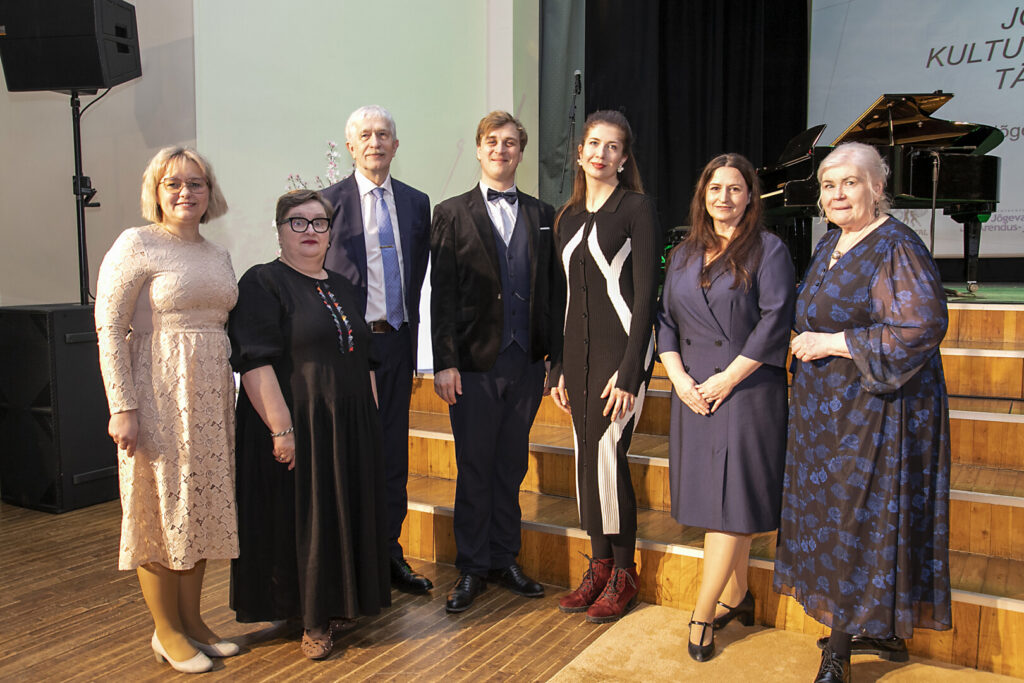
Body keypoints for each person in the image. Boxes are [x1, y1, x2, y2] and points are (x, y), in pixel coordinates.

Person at [774, 142, 952, 683]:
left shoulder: (897, 245)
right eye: (828, 185)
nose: (837, 194)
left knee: (857, 520)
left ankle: (840, 651)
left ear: (877, 187)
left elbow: (920, 325)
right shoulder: (831, 241)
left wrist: (831, 343)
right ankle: (879, 626)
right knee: (834, 517)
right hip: (825, 412)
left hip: (874, 411)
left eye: (850, 182)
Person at [228, 190, 390, 660]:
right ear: (279, 230)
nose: (310, 231)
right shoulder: (263, 282)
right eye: (297, 222)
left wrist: (372, 422)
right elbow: (254, 363)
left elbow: (366, 358)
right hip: (300, 422)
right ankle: (312, 620)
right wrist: (281, 430)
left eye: (319, 222)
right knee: (309, 522)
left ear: (330, 232)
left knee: (340, 515)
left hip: (347, 425)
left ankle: (339, 604)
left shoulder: (343, 285)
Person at [95, 147, 239, 674]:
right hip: (157, 392)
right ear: (155, 191)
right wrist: (122, 406)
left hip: (210, 396)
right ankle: (166, 630)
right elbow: (110, 327)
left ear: (209, 192)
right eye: (173, 183)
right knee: (158, 509)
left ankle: (193, 621)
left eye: (196, 183)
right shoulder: (136, 243)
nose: (185, 193)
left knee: (197, 507)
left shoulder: (218, 254)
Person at [655, 154, 795, 660]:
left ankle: (702, 612)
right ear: (703, 195)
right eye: (715, 188)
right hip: (693, 392)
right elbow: (665, 320)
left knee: (730, 503)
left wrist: (727, 378)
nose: (724, 197)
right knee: (719, 501)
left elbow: (776, 321)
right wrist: (679, 379)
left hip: (747, 390)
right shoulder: (682, 253)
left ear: (750, 196)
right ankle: (737, 595)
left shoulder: (769, 249)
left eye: (735, 189)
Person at [430, 111, 559, 613]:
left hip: (525, 363)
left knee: (510, 466)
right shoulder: (451, 212)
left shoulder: (543, 213)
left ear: (520, 152)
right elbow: (442, 292)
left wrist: (551, 358)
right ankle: (471, 566)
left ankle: (505, 558)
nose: (501, 150)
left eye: (510, 143)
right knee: (475, 467)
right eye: (492, 141)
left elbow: (553, 291)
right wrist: (444, 361)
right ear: (479, 149)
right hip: (473, 364)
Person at [550, 110, 662, 624]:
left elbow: (646, 299)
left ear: (623, 157)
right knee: (586, 460)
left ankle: (624, 573)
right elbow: (564, 300)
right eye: (594, 144)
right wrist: (557, 368)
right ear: (580, 153)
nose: (601, 153)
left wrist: (631, 372)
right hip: (578, 359)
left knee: (609, 458)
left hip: (623, 357)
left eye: (612, 146)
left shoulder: (636, 208)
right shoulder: (567, 217)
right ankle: (598, 566)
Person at [321, 105, 433, 596]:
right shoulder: (327, 204)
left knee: (392, 457)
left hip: (397, 346)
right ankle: (350, 562)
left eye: (383, 134)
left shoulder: (416, 203)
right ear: (350, 147)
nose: (375, 142)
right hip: (348, 352)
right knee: (348, 456)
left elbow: (418, 272)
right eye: (365, 135)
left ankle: (389, 552)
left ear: (396, 145)